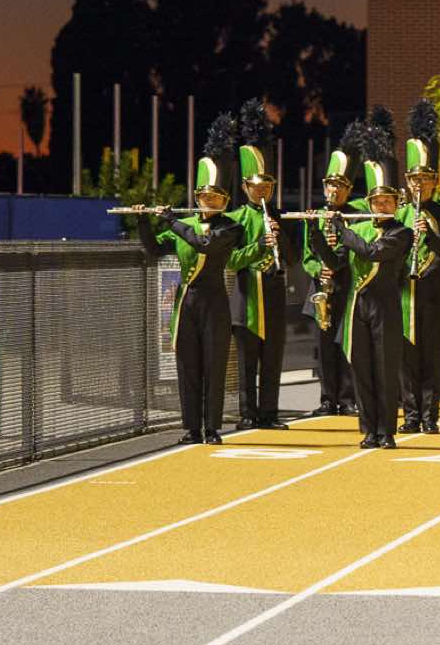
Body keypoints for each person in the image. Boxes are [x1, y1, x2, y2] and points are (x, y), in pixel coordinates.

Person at [137, 118, 242, 445]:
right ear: (197, 197)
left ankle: (212, 428)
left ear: (225, 201)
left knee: (214, 366)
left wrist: (172, 221)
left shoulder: (230, 228)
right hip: (187, 303)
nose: (209, 202)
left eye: (215, 197)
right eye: (205, 196)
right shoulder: (184, 225)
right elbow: (155, 249)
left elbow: (204, 245)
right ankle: (192, 428)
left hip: (215, 303)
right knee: (188, 368)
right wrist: (143, 221)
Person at [327, 140, 414, 449]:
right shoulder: (360, 229)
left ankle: (386, 431)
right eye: (377, 202)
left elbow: (373, 252)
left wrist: (343, 231)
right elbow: (335, 262)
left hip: (385, 307)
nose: (382, 206)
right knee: (361, 371)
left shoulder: (402, 232)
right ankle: (368, 430)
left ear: (396, 204)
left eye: (388, 201)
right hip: (358, 308)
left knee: (385, 371)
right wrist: (319, 234)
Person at [399, 103, 440, 435]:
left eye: (426, 179)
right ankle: (411, 415)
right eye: (415, 179)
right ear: (407, 181)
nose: (420, 185)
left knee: (433, 359)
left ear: (434, 182)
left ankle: (429, 416)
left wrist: (431, 236)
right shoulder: (398, 215)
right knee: (406, 360)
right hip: (403, 297)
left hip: (435, 298)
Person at [230, 100, 288, 430]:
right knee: (247, 363)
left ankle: (269, 413)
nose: (263, 191)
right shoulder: (236, 219)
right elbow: (231, 260)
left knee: (272, 361)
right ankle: (246, 414)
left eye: (267, 186)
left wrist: (281, 239)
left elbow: (292, 258)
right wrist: (260, 246)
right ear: (245, 188)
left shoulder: (278, 216)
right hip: (246, 299)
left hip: (274, 297)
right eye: (257, 187)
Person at [301, 127, 359, 417]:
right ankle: (327, 398)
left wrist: (336, 267)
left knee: (344, 343)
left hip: (346, 287)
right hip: (321, 288)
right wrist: (318, 270)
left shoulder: (353, 216)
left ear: (348, 190)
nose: (334, 191)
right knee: (323, 346)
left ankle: (347, 398)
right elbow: (306, 257)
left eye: (340, 186)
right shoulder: (314, 216)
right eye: (330, 185)